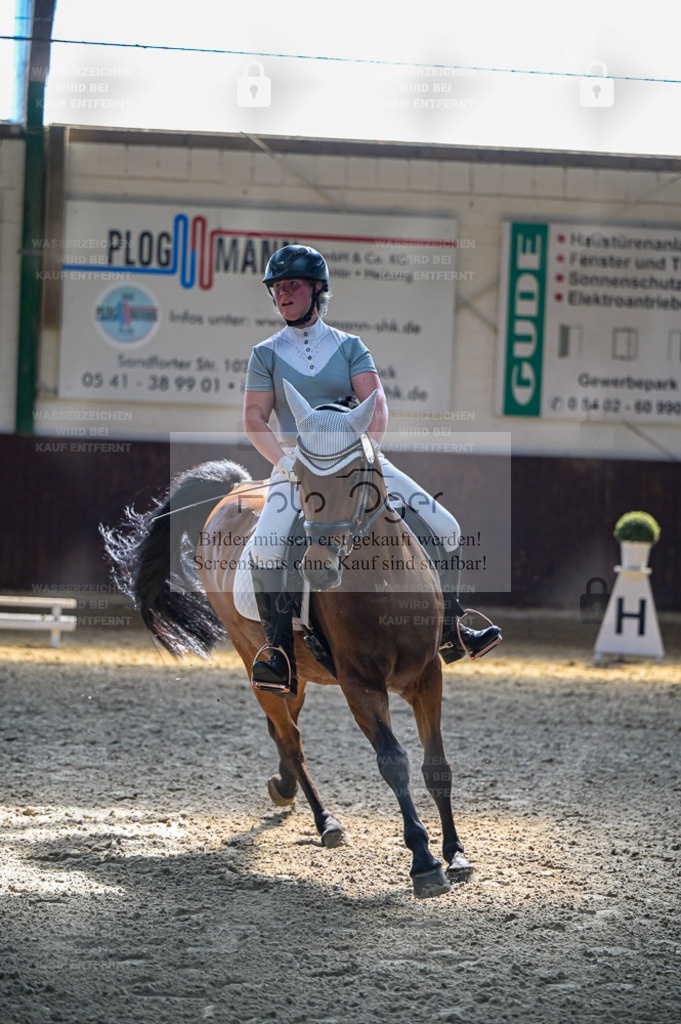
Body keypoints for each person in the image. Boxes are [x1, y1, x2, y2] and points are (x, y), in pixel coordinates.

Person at [243, 244, 501, 697]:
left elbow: (376, 407)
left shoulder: (349, 347)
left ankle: (451, 626)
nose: (282, 295)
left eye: (292, 286)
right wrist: (285, 463)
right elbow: (253, 419)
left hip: (359, 463)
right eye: (277, 288)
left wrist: (364, 459)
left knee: (446, 527)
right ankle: (279, 653)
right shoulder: (264, 354)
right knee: (265, 550)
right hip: (300, 469)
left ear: (317, 290)